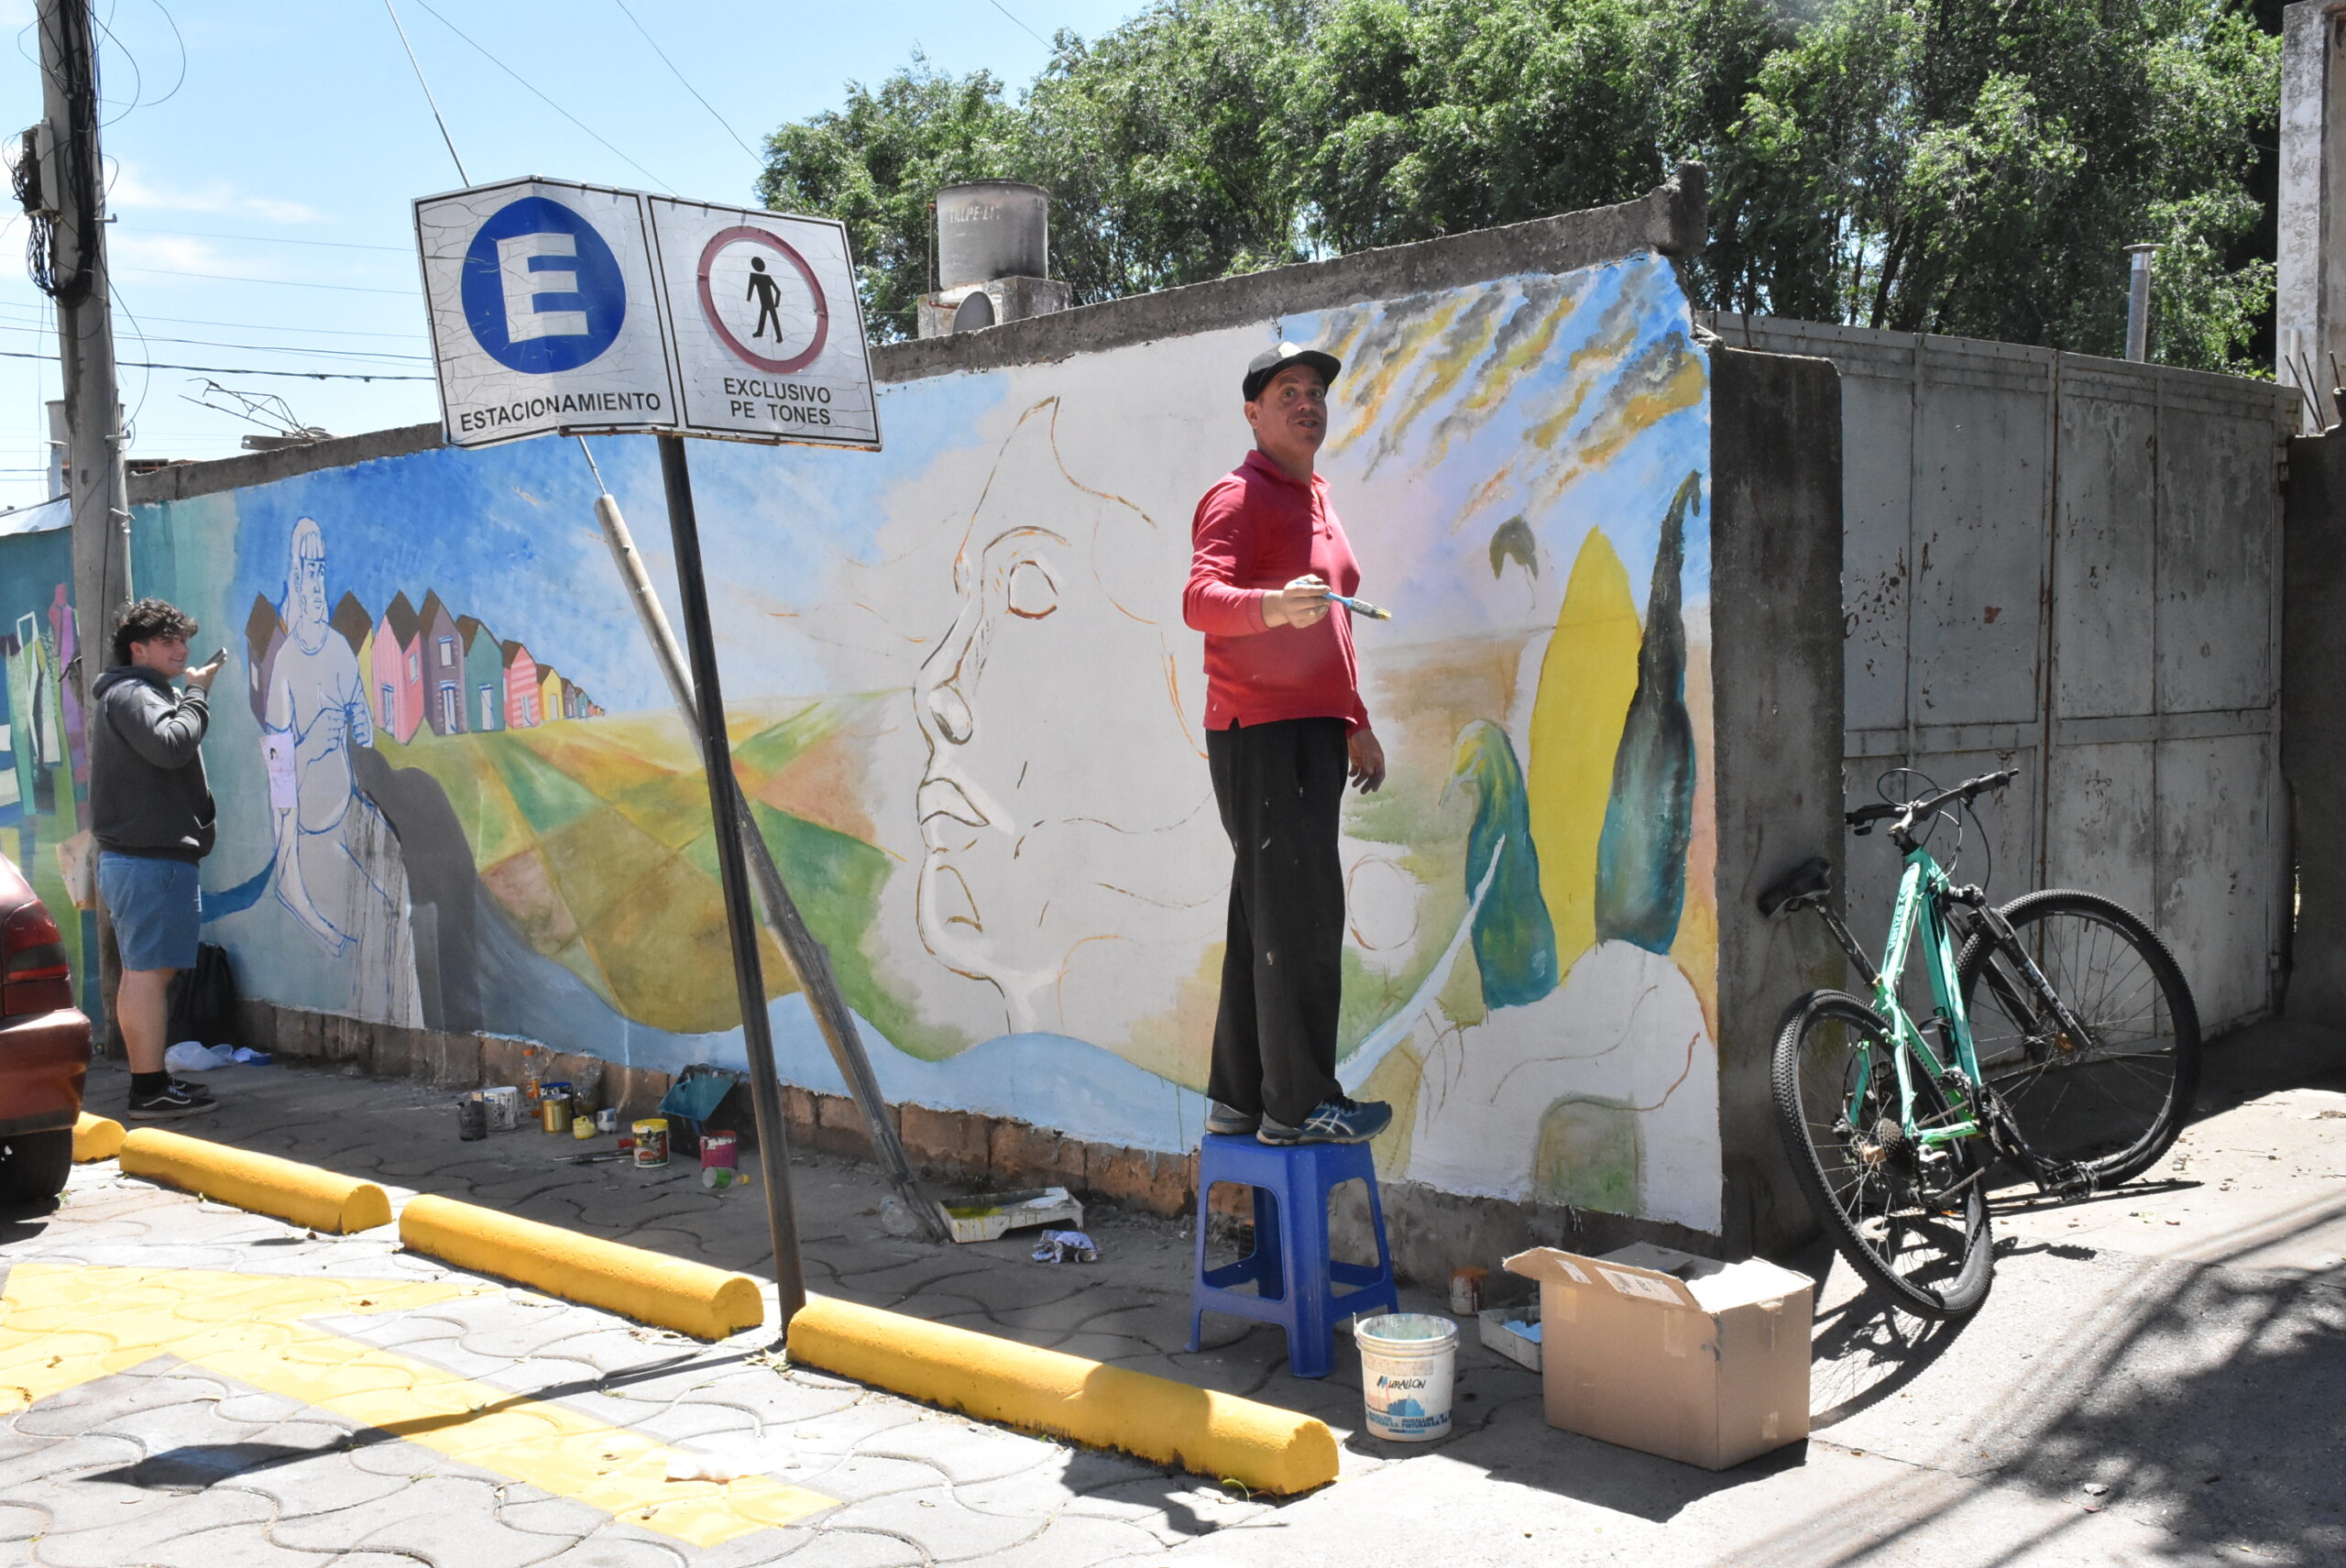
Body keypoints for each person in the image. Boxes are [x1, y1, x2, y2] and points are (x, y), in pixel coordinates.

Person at [1182, 342, 1392, 1146]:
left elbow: (1333, 619)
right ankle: (1301, 1105)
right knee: (1300, 918)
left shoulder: (1318, 497)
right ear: (1253, 411)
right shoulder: (1237, 496)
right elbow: (1202, 598)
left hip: (1312, 732)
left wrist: (1354, 719)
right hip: (1259, 733)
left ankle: (1240, 1095)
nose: (1307, 403)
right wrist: (1271, 606)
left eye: (1316, 392)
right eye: (1287, 391)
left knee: (1263, 913)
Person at [90, 598, 225, 1120]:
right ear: (137, 649)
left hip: (140, 859)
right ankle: (148, 1090)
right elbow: (171, 745)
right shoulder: (135, 694)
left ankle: (151, 1082)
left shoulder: (133, 693)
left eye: (182, 639)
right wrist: (197, 694)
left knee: (142, 972)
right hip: (150, 860)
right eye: (168, 642)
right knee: (150, 974)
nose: (182, 649)